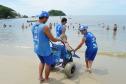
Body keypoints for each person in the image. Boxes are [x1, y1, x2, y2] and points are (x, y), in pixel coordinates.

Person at [31, 11, 62, 83]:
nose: (47, 20)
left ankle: (40, 77)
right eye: (47, 18)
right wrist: (60, 39)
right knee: (48, 64)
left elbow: (40, 36)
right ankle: (47, 79)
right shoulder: (44, 27)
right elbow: (53, 39)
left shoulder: (34, 26)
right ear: (44, 18)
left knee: (42, 62)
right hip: (45, 50)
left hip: (37, 49)